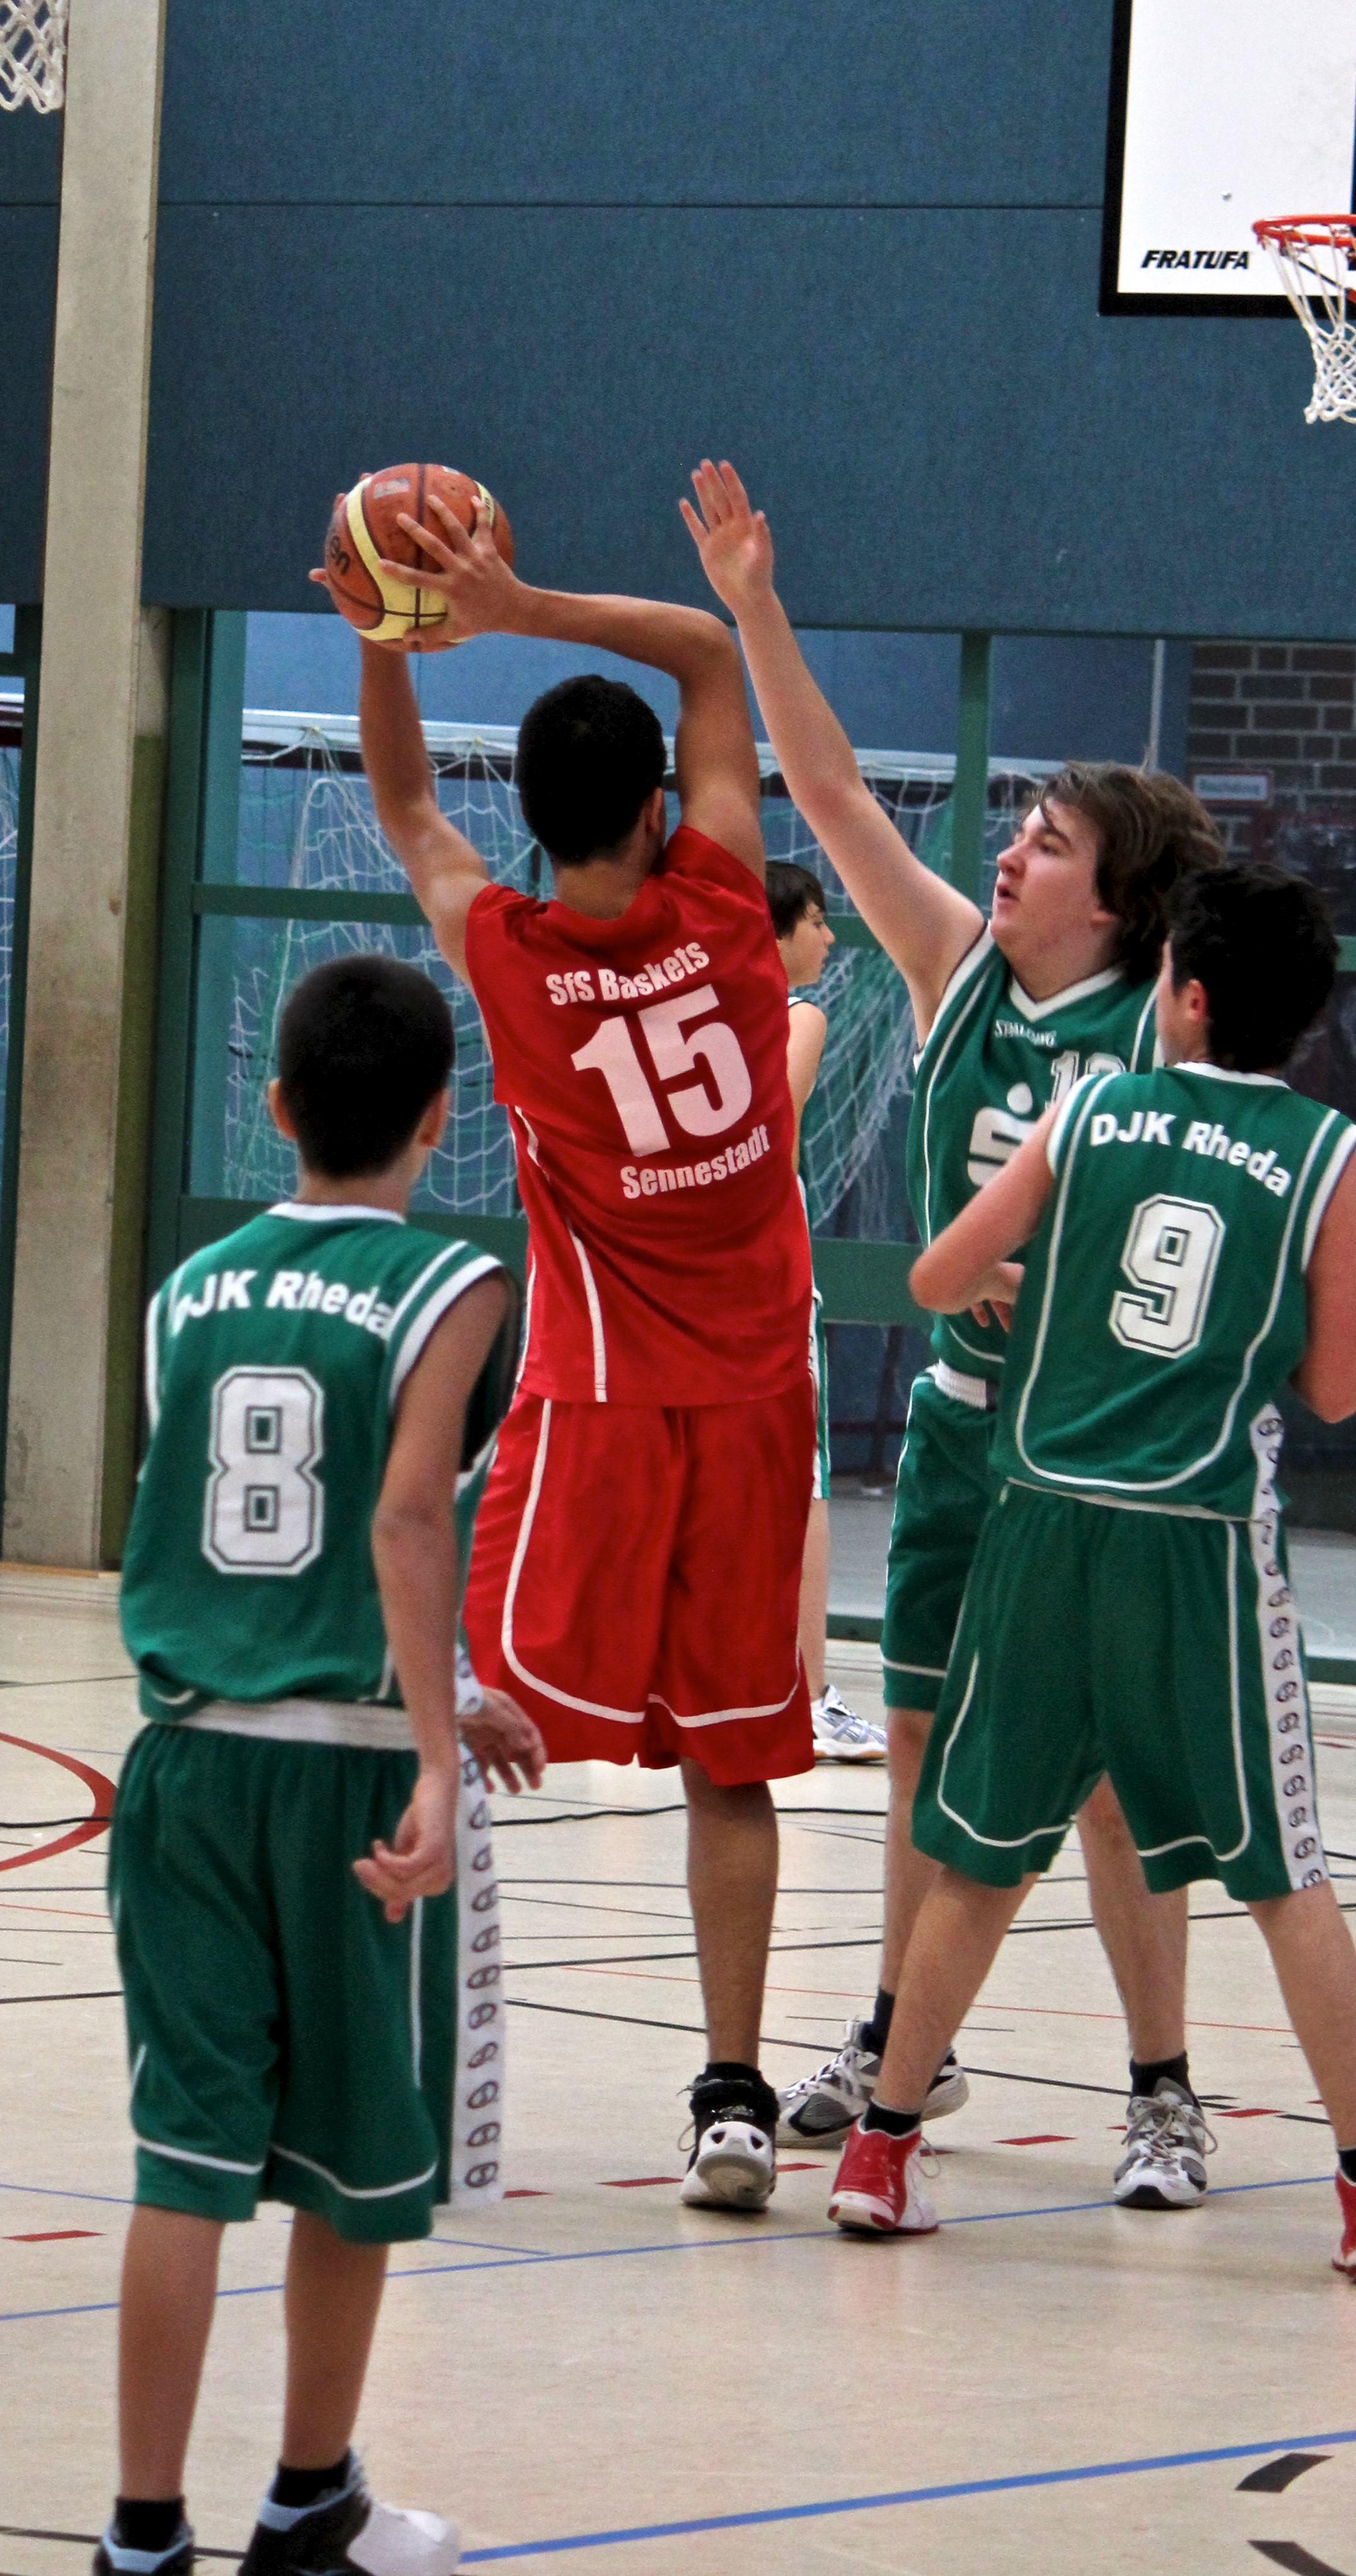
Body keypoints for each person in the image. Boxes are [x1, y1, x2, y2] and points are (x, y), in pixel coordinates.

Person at [683, 462, 1219, 2210]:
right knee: (915, 1746)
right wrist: (756, 603)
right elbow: (830, 790)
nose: (1008, 852)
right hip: (958, 1434)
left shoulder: (1164, 1041)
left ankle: (1162, 2091)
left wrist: (1050, 1280)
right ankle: (904, 2030)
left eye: (1047, 844)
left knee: (1106, 1788)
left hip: (1093, 1457)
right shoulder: (951, 960)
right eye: (1018, 831)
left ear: (1116, 905)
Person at [826, 863, 1356, 2284]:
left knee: (981, 1855)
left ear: (1189, 996)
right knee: (1285, 1876)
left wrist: (1037, 1293)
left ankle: (880, 2157)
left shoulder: (1092, 1111)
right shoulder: (1331, 1153)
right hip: (1196, 1541)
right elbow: (1336, 1389)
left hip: (1042, 1521)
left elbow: (934, 1280)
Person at [344, 499, 816, 2213]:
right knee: (732, 1763)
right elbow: (704, 651)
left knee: (438, 1696)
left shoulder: (510, 957)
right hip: (754, 1404)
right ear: (654, 810)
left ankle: (384, 2053)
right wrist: (517, 601)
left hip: (598, 1412)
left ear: (532, 823)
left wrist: (391, 635)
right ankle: (734, 2093)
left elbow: (407, 809)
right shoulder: (731, 905)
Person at [103, 956, 546, 2576]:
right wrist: (436, 1745)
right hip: (347, 1777)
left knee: (185, 2160)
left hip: (184, 1766)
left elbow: (244, 1552)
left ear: (278, 1106)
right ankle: (308, 2511)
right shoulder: (453, 1284)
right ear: (442, 1119)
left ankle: (140, 2538)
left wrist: (454, 1687)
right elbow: (404, 1516)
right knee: (354, 2167)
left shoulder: (185, 1292)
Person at [767, 857, 888, 1763]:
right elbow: (768, 1128)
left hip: (689, 1267)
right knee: (802, 1484)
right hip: (764, 1269)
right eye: (815, 918)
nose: (830, 934)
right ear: (775, 929)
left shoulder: (679, 1014)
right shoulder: (793, 1014)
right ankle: (806, 1697)